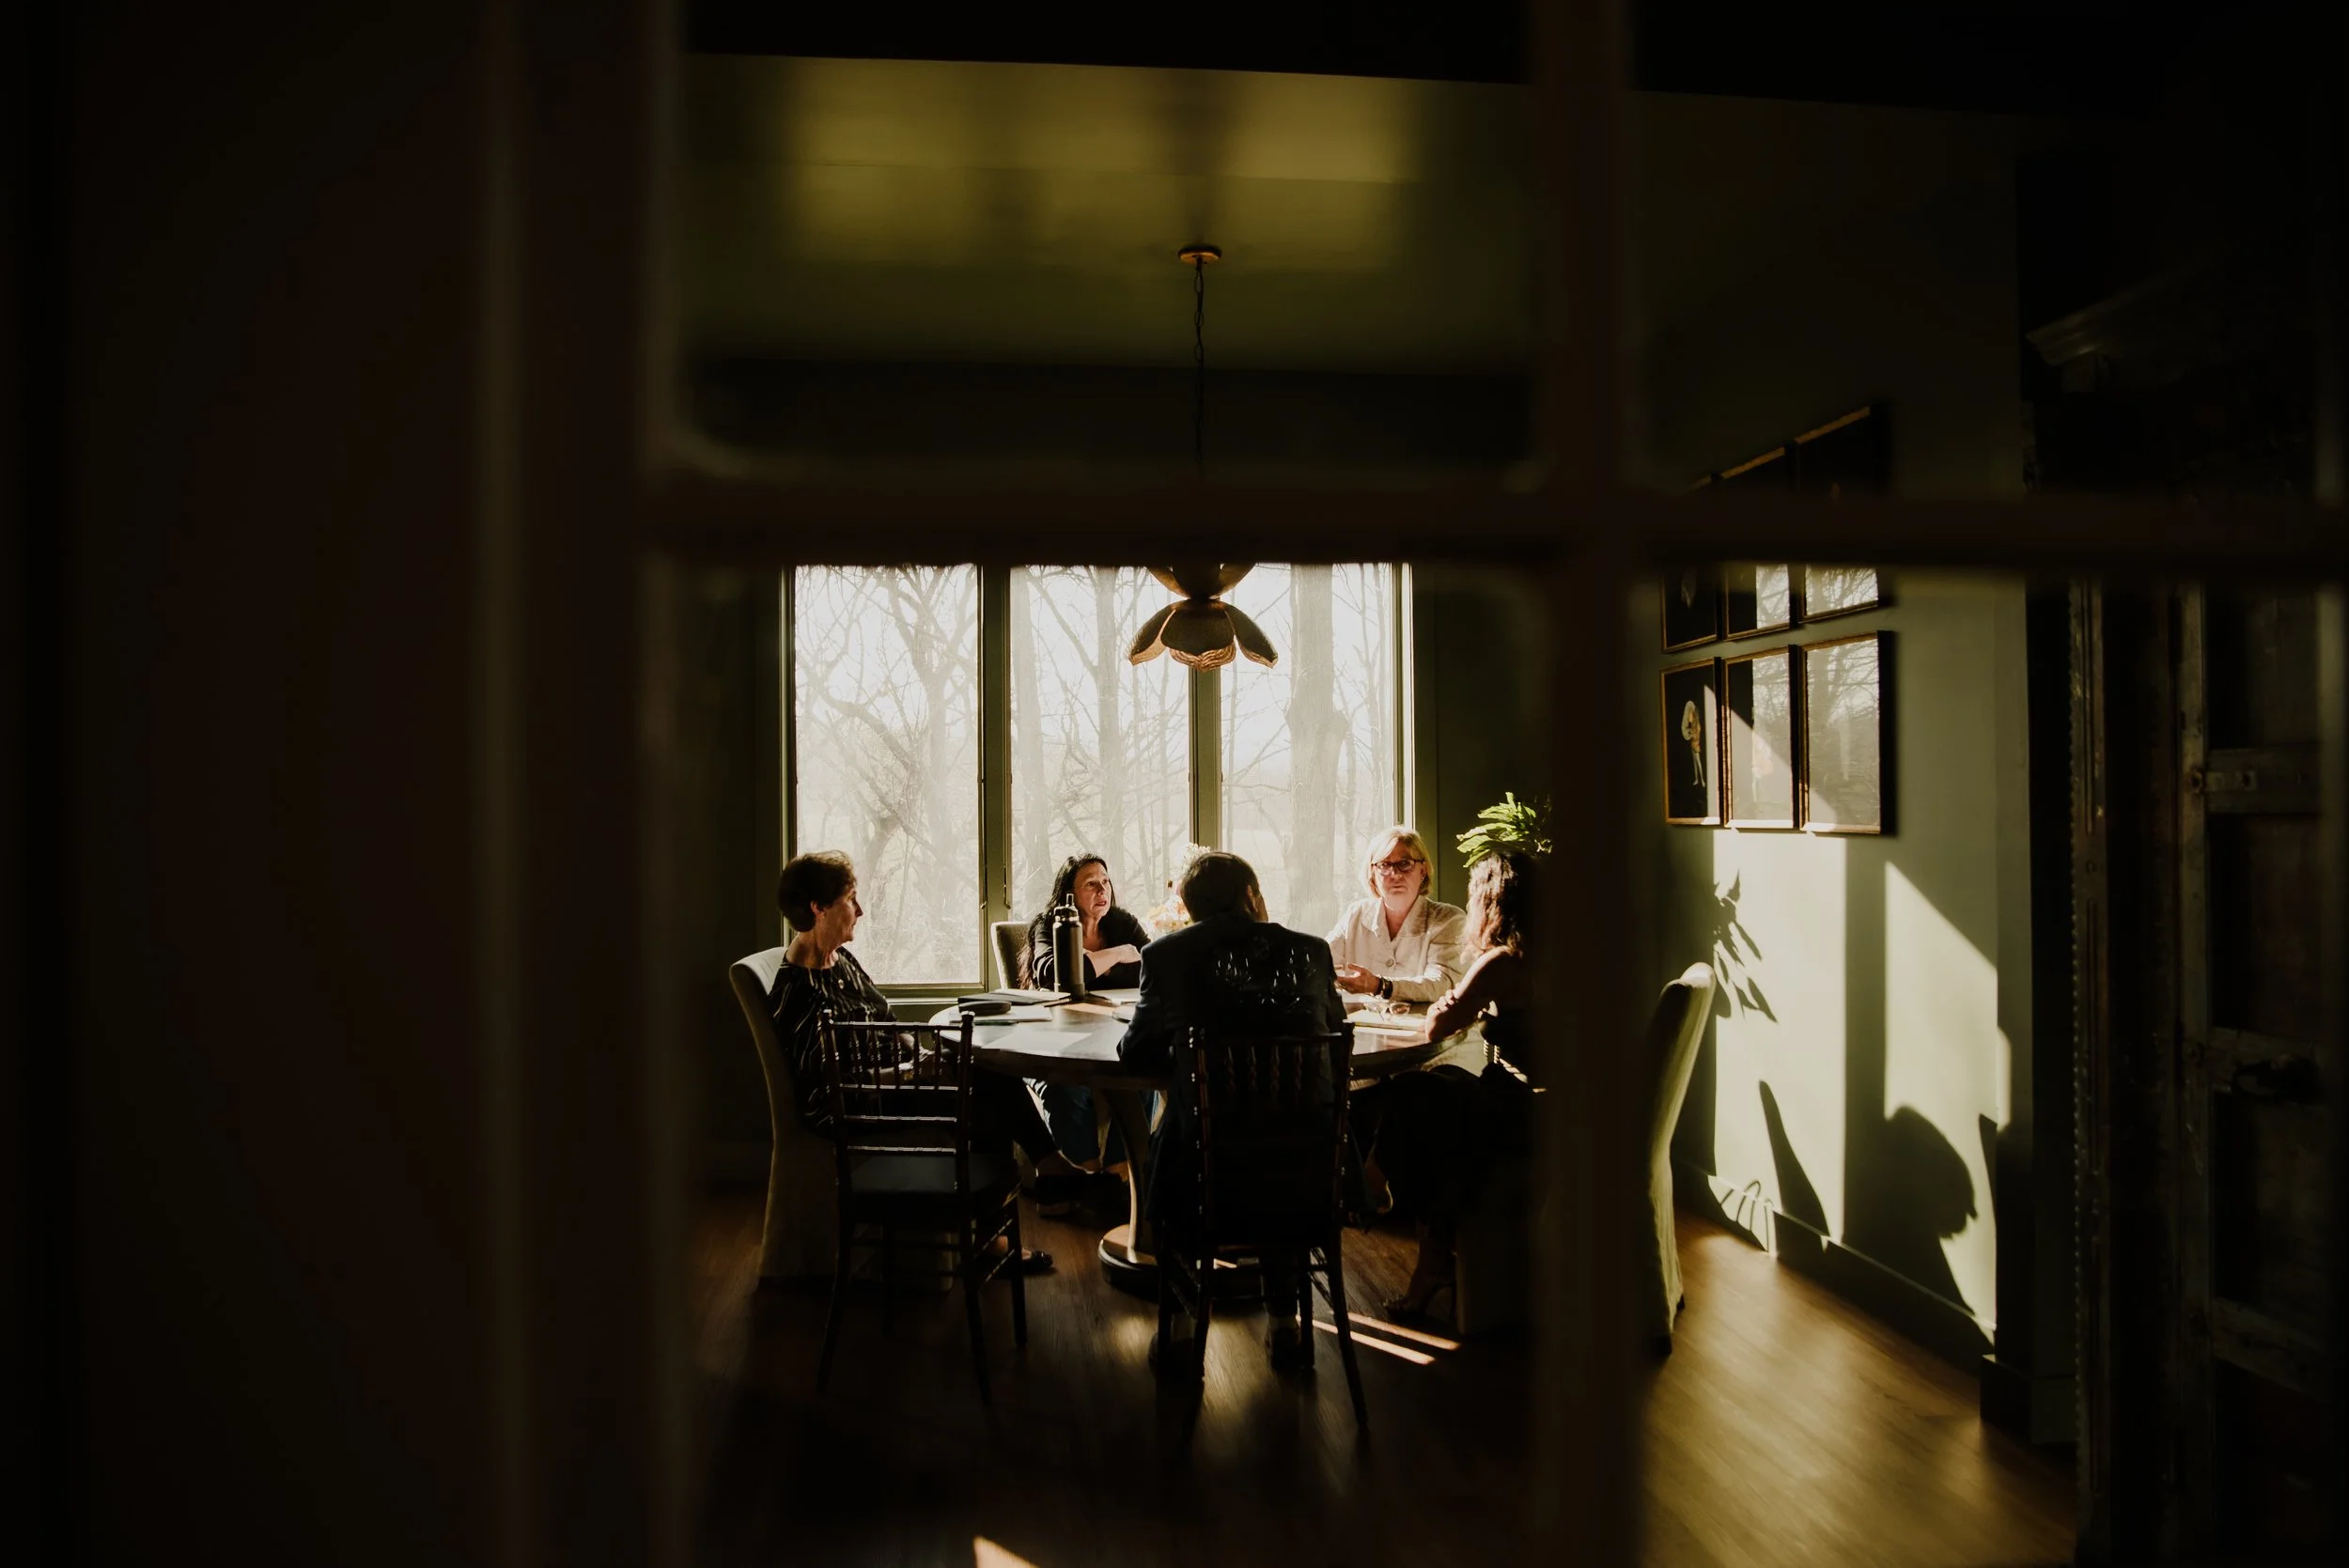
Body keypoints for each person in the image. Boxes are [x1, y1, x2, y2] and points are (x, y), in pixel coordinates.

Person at [766, 850, 1082, 1269]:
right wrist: (912, 1072)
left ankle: (1042, 1179)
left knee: (985, 1067)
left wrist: (928, 1057)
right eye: (851, 899)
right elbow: (830, 1091)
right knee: (985, 1099)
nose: (860, 910)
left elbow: (885, 1023)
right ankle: (1017, 1213)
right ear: (818, 908)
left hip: (898, 1080)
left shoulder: (839, 963)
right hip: (865, 1106)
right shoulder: (801, 995)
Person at [1118, 850, 1347, 1372]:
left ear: (1190, 907)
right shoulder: (1311, 952)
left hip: (1206, 1166)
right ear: (1250, 896)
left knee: (1175, 1145)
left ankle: (1178, 1337)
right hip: (1311, 1162)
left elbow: (1136, 1055)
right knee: (1277, 1147)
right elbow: (1334, 1036)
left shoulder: (1166, 957)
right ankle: (1286, 1327)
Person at [1359, 850, 1540, 1323]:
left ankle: (1372, 1182)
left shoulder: (1504, 960)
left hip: (1524, 1111)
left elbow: (1439, 1024)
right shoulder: (1560, 954)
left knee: (1415, 1094)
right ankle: (1426, 1251)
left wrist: (1467, 1002)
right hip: (1550, 1105)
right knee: (1437, 1086)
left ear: (1492, 902)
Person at [1018, 853, 1149, 1175]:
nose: (1102, 890)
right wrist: (1118, 953)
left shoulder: (1122, 922)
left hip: (1113, 1037)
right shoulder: (1051, 923)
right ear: (1069, 893)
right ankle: (1081, 1181)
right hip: (1056, 1040)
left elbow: (1153, 966)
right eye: (1091, 884)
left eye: (1105, 882)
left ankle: (1120, 1177)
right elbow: (1055, 973)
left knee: (1142, 1080)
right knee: (1065, 1088)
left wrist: (1092, 960)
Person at [1325, 826, 1469, 1008]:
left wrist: (1379, 986)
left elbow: (1441, 984)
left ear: (1423, 871)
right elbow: (1321, 961)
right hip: (1364, 1027)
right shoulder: (1357, 913)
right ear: (1373, 874)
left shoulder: (1449, 919)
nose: (1395, 874)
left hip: (1424, 1031)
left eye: (1405, 863)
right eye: (1385, 865)